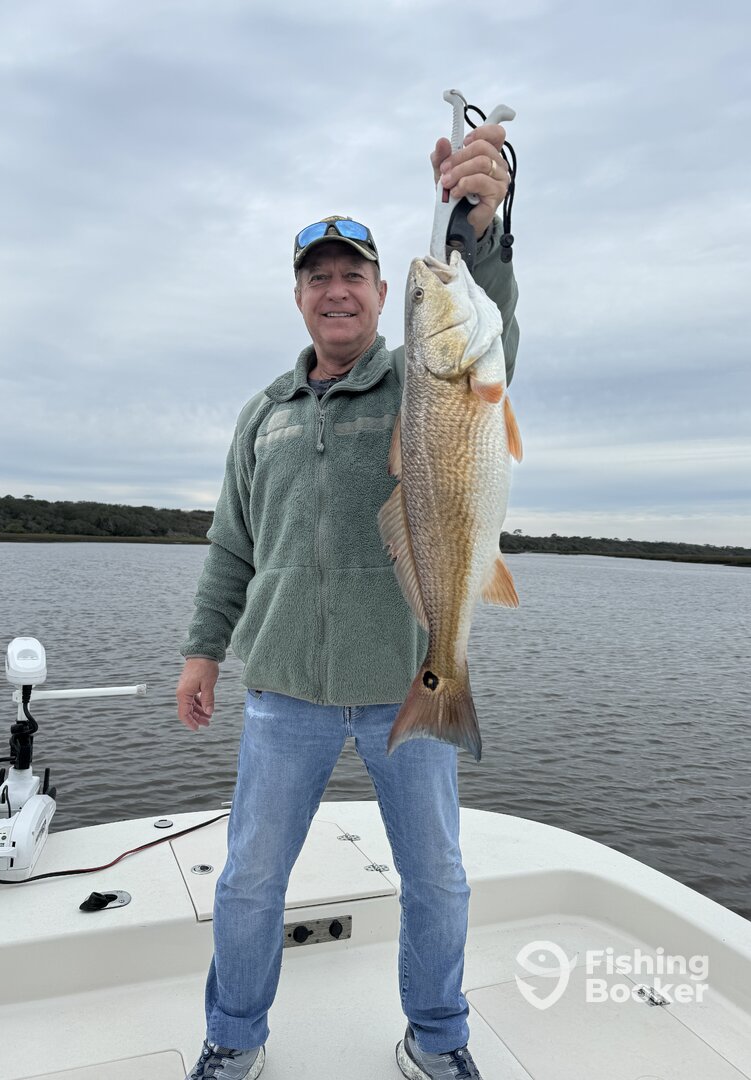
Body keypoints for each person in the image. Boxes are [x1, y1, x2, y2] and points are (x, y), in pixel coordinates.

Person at [177, 123, 518, 1080]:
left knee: (436, 876)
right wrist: (203, 650)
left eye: (355, 276)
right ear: (299, 297)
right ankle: (233, 1038)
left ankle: (438, 1041)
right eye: (318, 278)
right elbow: (232, 544)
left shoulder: (424, 378)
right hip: (284, 688)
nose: (337, 290)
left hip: (408, 678)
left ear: (376, 294)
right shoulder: (263, 414)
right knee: (250, 879)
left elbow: (490, 324)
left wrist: (481, 229)